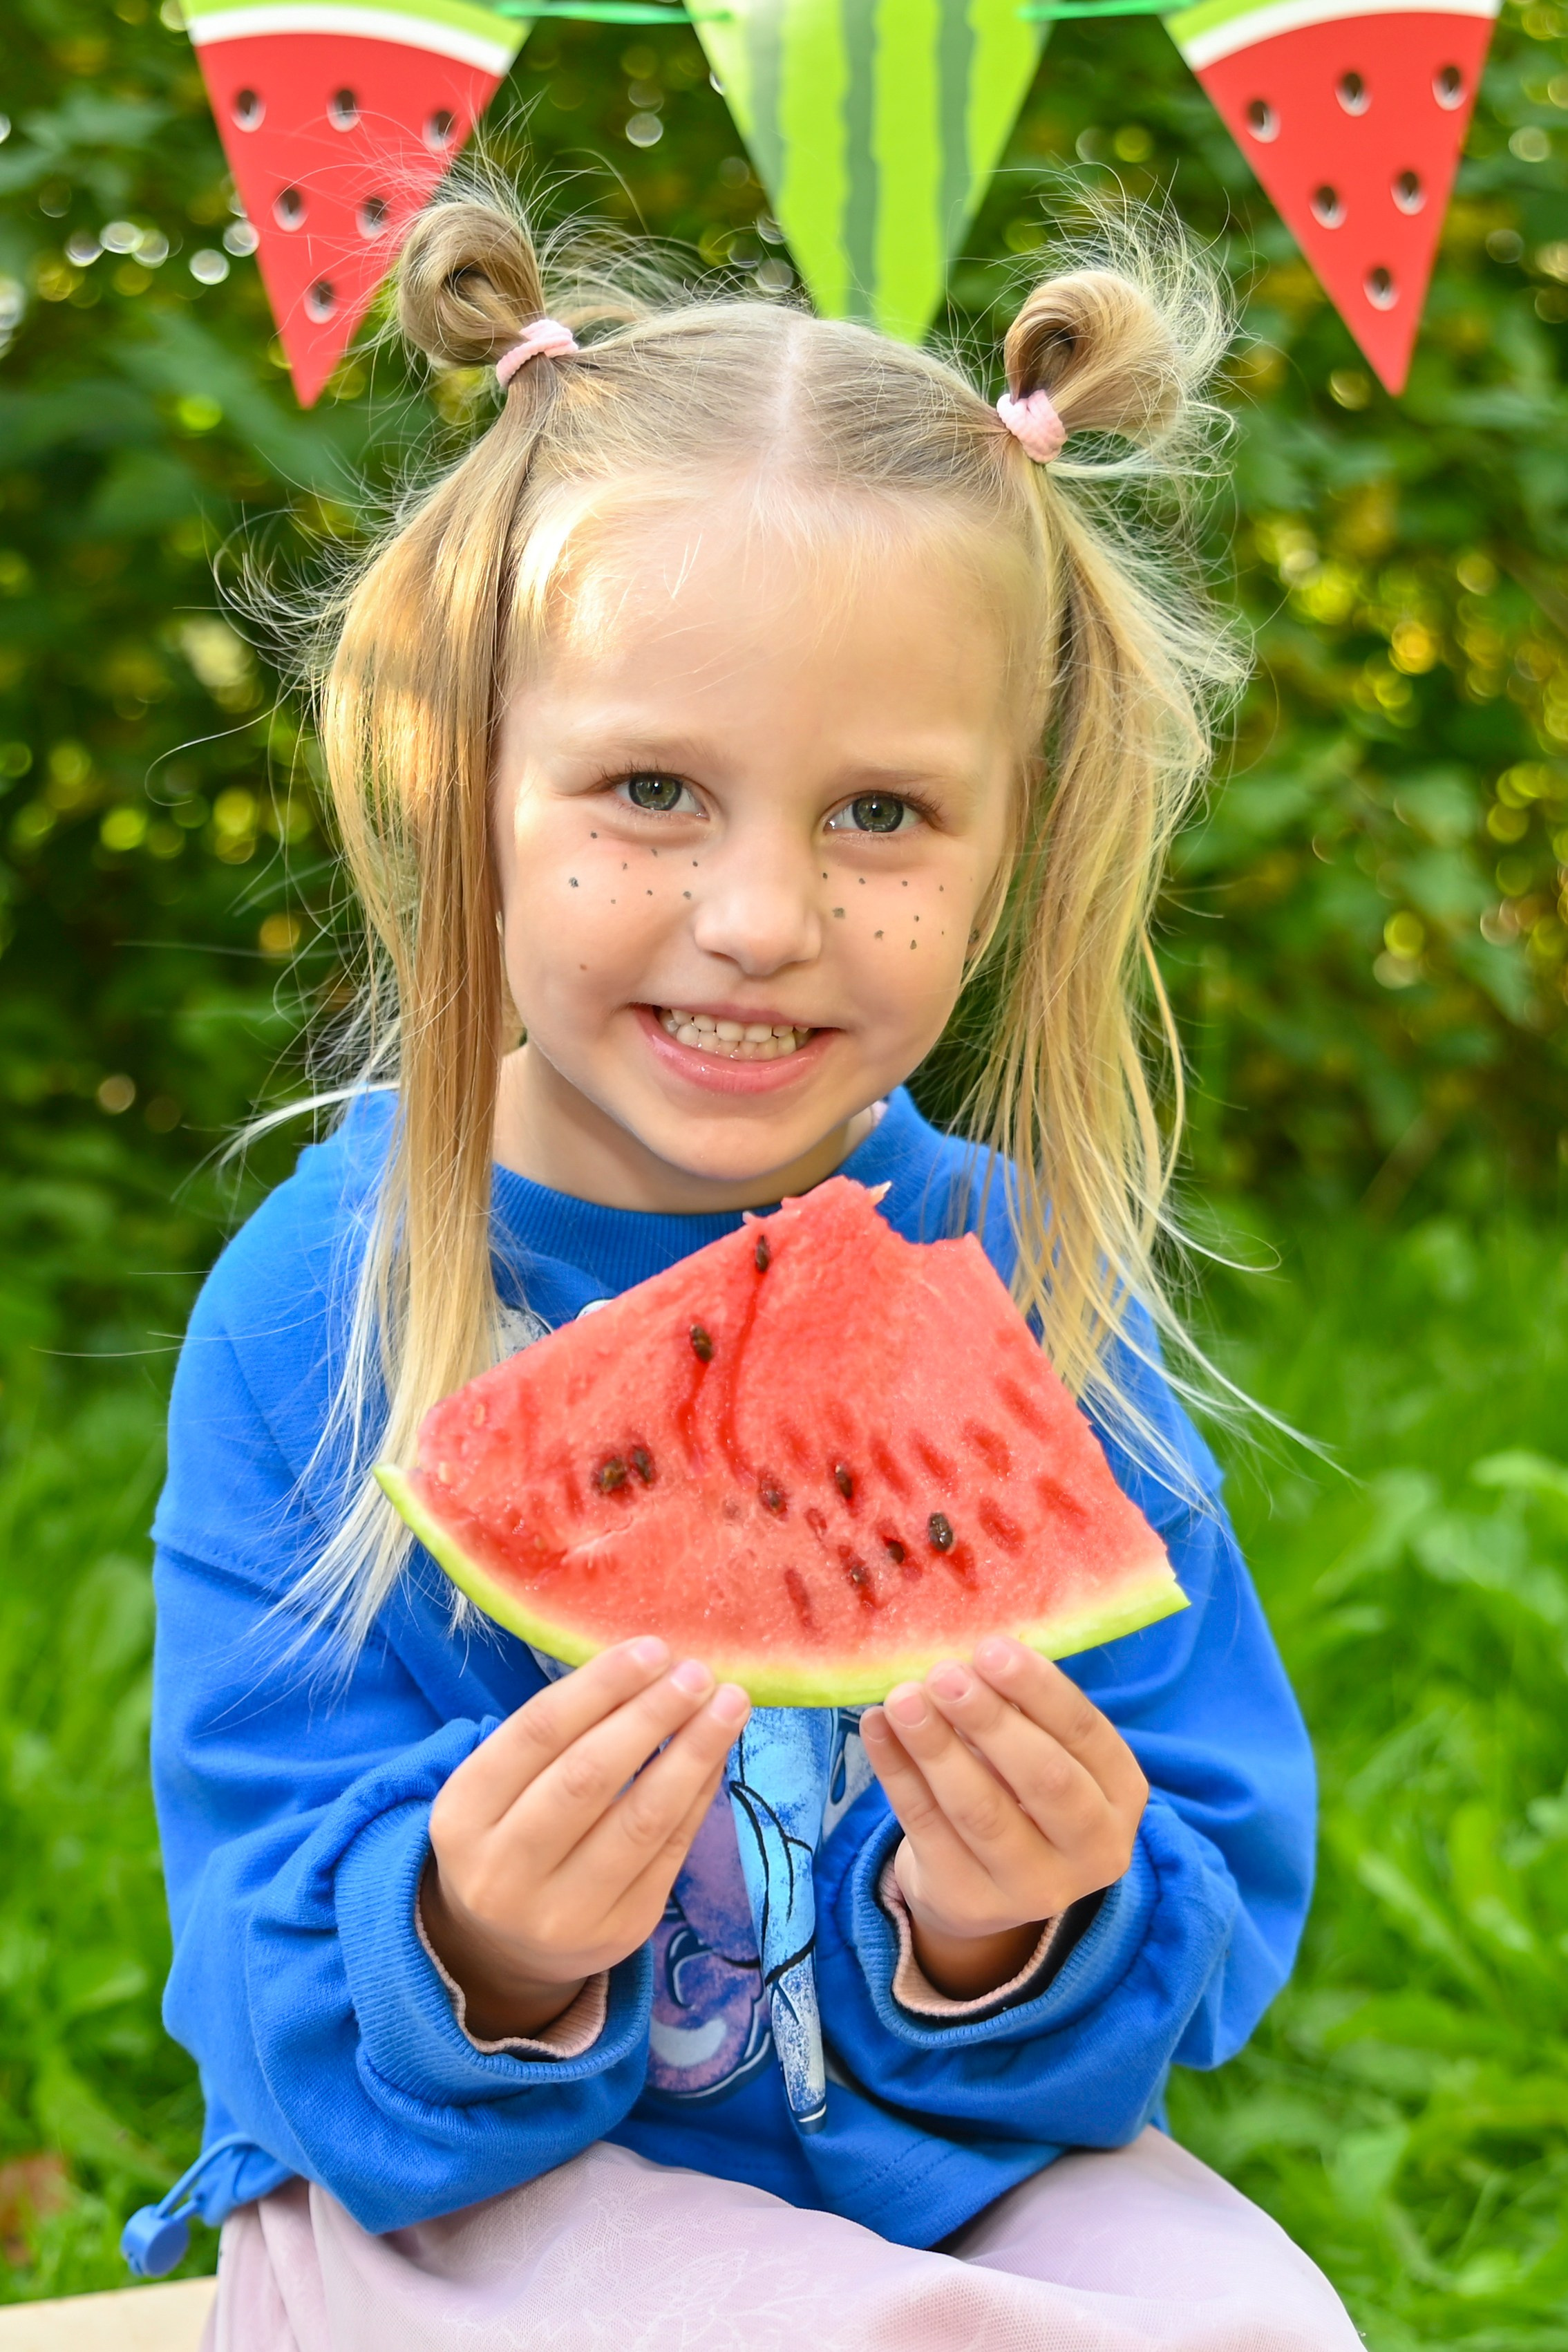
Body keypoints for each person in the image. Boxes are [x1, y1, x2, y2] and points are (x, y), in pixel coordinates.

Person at [151, 189, 1361, 2351]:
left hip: (939, 2152)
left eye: (882, 815)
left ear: (1020, 840)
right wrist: (479, 1939)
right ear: (465, 788)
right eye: (649, 790)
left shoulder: (1019, 1276)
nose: (761, 916)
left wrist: (1014, 1927)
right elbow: (263, 1963)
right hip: (464, 2198)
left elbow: (1198, 1889)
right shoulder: (316, 1301)